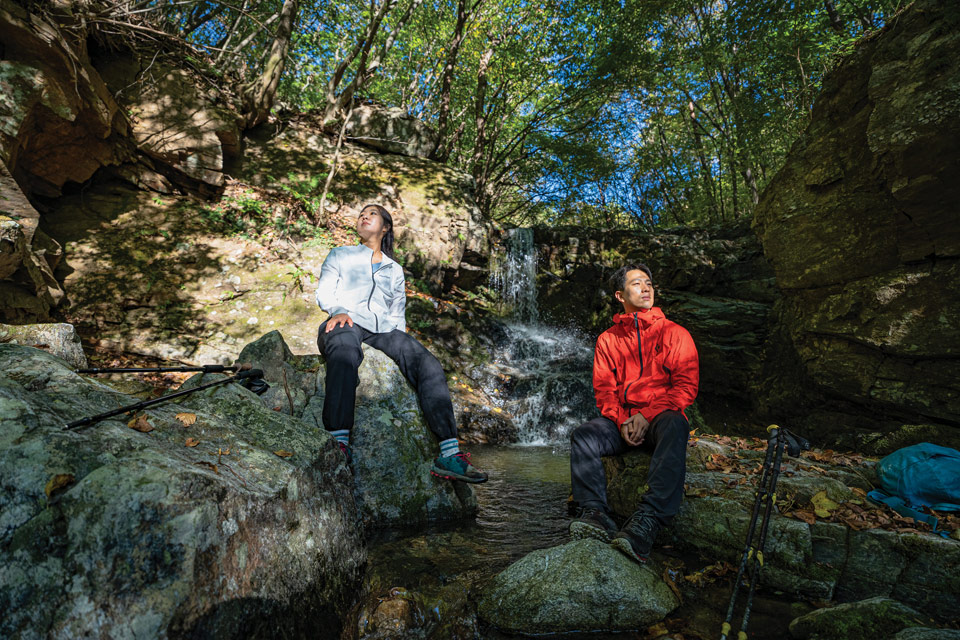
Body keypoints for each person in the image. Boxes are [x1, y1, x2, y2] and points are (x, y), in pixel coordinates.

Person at [314, 203, 487, 483]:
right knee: (345, 350)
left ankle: (449, 454)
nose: (364, 216)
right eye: (361, 214)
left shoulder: (394, 269)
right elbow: (325, 290)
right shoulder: (340, 255)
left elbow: (397, 312)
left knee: (428, 363)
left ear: (385, 227)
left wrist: (399, 343)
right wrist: (337, 310)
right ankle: (339, 441)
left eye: (372, 214)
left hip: (383, 330)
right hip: (344, 320)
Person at [568, 263, 699, 562]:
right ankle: (594, 513)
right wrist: (621, 420)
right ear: (619, 295)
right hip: (622, 422)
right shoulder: (608, 340)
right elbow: (604, 392)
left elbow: (685, 388)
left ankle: (648, 521)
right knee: (584, 435)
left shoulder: (676, 335)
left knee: (676, 424)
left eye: (649, 283)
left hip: (659, 419)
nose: (646, 287)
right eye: (637, 283)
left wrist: (647, 416)